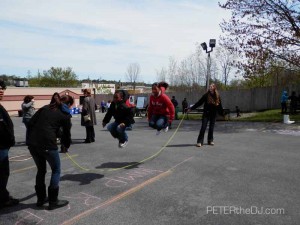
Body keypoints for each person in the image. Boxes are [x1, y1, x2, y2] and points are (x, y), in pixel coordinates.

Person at [27, 94, 74, 210]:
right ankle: (53, 201)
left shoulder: (45, 108)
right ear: (68, 104)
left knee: (41, 170)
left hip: (32, 143)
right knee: (56, 170)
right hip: (47, 143)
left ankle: (41, 198)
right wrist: (65, 145)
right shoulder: (65, 114)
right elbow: (67, 134)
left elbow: (30, 123)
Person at [0, 80, 19, 209]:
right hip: (0, 146)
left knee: (3, 173)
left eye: (2, 88)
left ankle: (3, 195)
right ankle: (3, 199)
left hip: (4, 146)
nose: (1, 91)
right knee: (2, 173)